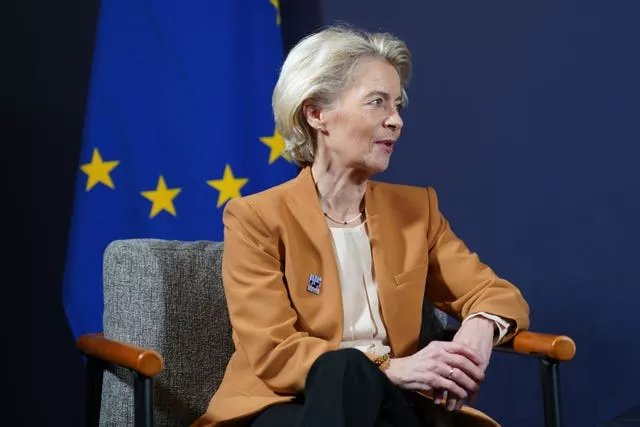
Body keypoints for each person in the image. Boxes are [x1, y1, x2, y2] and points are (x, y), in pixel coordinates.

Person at [193, 25, 530, 427]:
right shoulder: (256, 218)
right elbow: (274, 351)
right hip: (286, 405)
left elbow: (496, 294)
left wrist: (476, 332)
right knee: (345, 371)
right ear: (316, 113)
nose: (396, 121)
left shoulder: (416, 211)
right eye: (377, 103)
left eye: (398, 106)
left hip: (396, 405)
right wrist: (392, 366)